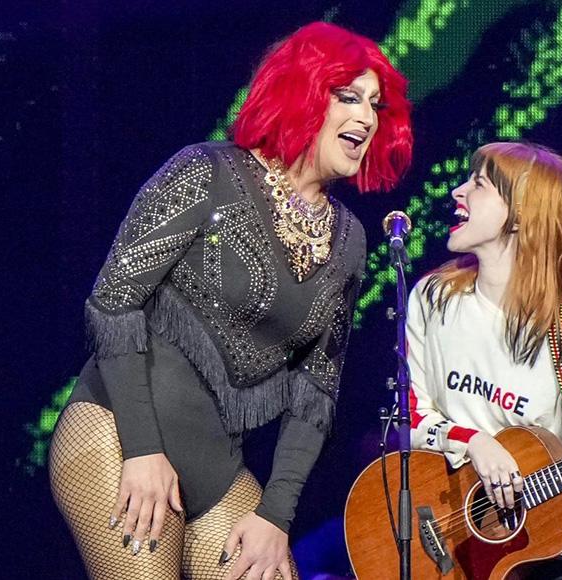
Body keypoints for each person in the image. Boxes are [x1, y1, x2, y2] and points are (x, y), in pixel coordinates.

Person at [49, 21, 412, 580]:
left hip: (217, 468)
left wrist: (275, 514)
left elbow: (317, 393)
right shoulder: (206, 171)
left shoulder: (349, 240)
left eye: (374, 104)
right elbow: (113, 303)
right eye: (348, 97)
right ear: (305, 92)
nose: (366, 117)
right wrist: (142, 451)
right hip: (116, 433)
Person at [406, 142, 562, 579]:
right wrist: (476, 444)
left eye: (479, 184)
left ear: (521, 215)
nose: (458, 192)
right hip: (437, 521)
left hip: (528, 555)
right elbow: (410, 416)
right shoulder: (434, 297)